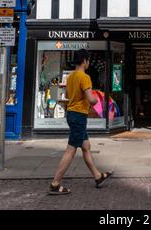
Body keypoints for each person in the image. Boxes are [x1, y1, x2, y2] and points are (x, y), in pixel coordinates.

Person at [49, 49, 112, 195]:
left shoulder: (70, 77)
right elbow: (91, 99)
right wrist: (97, 100)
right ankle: (55, 183)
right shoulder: (85, 77)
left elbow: (68, 95)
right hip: (79, 116)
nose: (88, 63)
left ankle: (97, 176)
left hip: (71, 114)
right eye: (88, 60)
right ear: (84, 61)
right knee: (71, 150)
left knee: (86, 146)